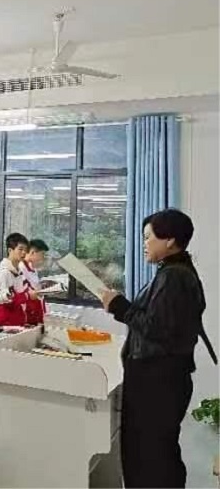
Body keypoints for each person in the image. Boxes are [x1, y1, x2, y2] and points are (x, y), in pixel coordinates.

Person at [101, 209, 215, 488]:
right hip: (160, 379)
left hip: (157, 382)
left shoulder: (174, 277)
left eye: (148, 237)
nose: (144, 243)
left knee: (149, 457)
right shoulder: (175, 272)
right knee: (156, 453)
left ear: (170, 240)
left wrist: (120, 307)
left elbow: (158, 329)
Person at [0, 233, 41, 327]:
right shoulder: (3, 273)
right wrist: (27, 296)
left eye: (25, 250)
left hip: (15, 322)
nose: (24, 253)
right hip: (4, 324)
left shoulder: (19, 271)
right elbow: (5, 300)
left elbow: (20, 296)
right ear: (10, 250)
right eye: (20, 249)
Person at [19, 239, 49, 325]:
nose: (43, 258)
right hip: (27, 313)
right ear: (33, 252)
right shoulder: (20, 268)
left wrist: (43, 286)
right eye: (42, 254)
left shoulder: (32, 268)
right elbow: (25, 292)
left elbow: (34, 286)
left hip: (36, 310)